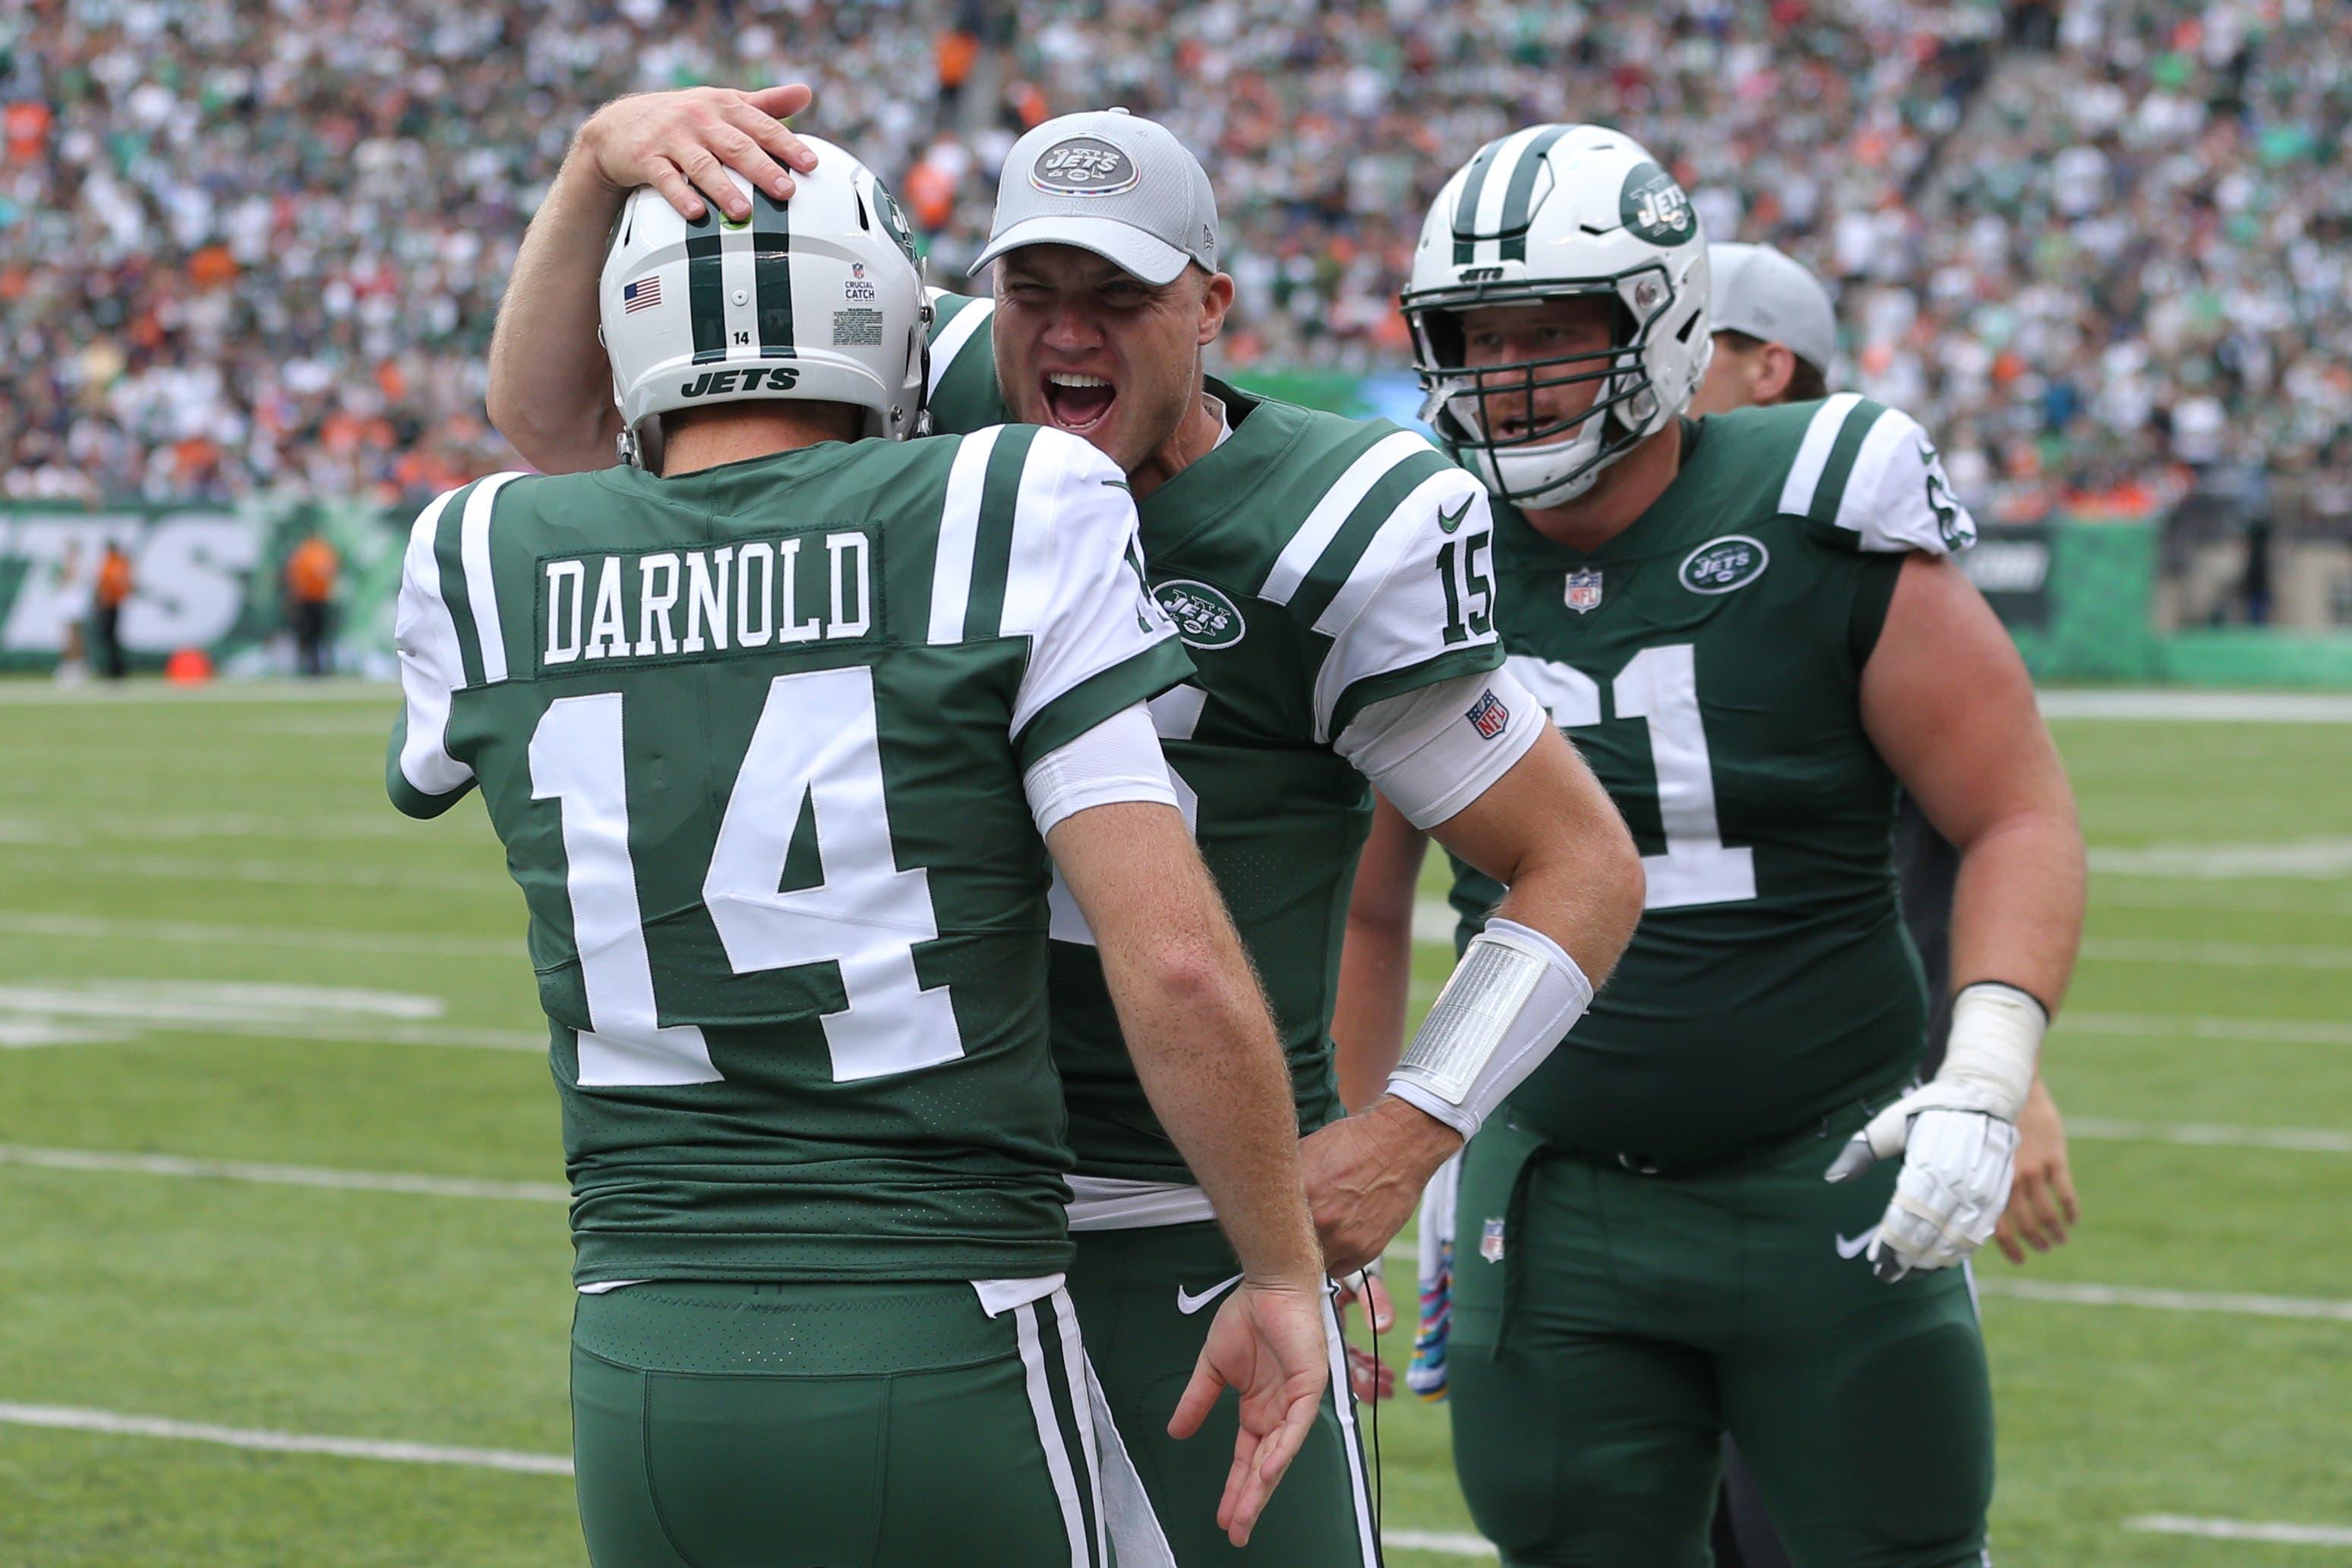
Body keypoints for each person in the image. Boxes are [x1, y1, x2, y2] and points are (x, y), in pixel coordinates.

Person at [488, 92, 1646, 1568]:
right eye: (1034, 291)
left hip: (1185, 1219)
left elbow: (1579, 864)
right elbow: (558, 425)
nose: (1068, 335)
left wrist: (1409, 1135)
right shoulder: (933, 410)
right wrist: (599, 162)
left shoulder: (1330, 527)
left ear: (1211, 305)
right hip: (933, 1224)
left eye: (1120, 295)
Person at [395, 137, 1337, 1568]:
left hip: (639, 1349)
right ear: (881, 319)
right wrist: (1276, 1263)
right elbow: (1182, 969)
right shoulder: (1002, 504)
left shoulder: (481, 549)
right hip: (940, 1317)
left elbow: (551, 438)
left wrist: (592, 157)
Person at [1337, 125, 2087, 1567]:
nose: (1502, 375)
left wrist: (1988, 1070)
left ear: (1662, 324)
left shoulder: (1820, 495)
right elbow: (1368, 911)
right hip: (1551, 1193)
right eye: (1470, 336)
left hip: (1829, 1167)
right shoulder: (1420, 548)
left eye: (1547, 335)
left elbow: (2012, 810)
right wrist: (1384, 1161)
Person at [1691, 239, 2083, 1568]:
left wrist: (2001, 1077)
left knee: (1829, 1518)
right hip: (1633, 1152)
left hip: (1843, 1128)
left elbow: (1973, 841)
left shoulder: (1853, 568)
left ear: (1765, 365)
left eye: (1688, 341)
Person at [285, 530, 340, 677]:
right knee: (314, 637)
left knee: (311, 637)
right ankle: (314, 668)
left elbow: (295, 577)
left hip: (312, 599)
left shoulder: (306, 554)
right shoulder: (320, 553)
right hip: (314, 599)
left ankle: (313, 668)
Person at [93, 539, 132, 680]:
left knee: (111, 639)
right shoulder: (118, 563)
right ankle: (115, 670)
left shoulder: (113, 564)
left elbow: (107, 585)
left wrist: (101, 600)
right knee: (110, 639)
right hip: (111, 604)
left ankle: (116, 670)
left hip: (111, 605)